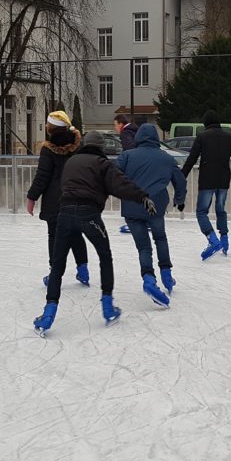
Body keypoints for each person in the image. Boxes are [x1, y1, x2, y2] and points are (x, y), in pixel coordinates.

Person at [32, 131, 156, 337]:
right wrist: (142, 197)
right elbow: (121, 185)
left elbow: (64, 185)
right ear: (101, 147)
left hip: (64, 214)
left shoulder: (71, 162)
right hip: (89, 215)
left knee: (58, 264)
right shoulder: (102, 164)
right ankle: (107, 305)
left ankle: (48, 313)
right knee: (105, 257)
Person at [117, 123, 187, 305]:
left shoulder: (127, 156)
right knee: (160, 238)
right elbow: (180, 181)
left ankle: (149, 279)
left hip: (131, 207)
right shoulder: (166, 158)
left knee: (144, 247)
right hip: (156, 206)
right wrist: (179, 200)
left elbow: (113, 176)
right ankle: (166, 275)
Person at [25, 111, 90, 287]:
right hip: (77, 197)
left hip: (55, 201)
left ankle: (55, 274)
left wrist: (32, 197)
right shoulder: (79, 145)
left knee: (54, 236)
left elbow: (42, 176)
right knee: (76, 233)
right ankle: (83, 270)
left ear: (51, 127)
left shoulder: (48, 148)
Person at [181, 109, 231, 260]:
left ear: (205, 123)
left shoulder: (202, 137)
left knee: (201, 212)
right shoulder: (229, 137)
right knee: (220, 209)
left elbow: (191, 159)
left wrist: (181, 177)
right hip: (223, 180)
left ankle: (213, 240)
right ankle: (224, 239)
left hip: (207, 180)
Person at [113, 114, 140, 234]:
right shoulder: (135, 130)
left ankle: (133, 220)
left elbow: (129, 150)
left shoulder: (125, 133)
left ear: (120, 123)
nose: (115, 128)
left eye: (115, 125)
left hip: (133, 169)